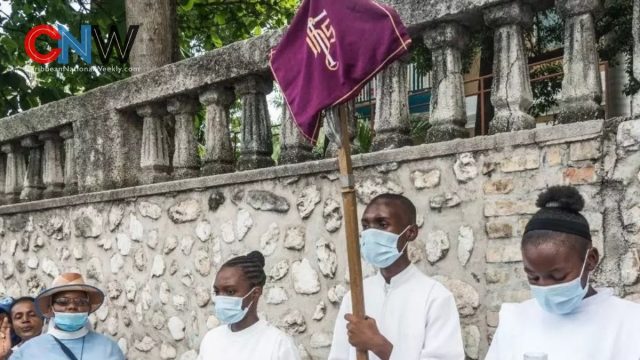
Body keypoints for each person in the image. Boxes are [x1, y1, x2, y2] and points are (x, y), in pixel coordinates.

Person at [485, 186, 640, 359]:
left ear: (591, 260)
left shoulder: (630, 323)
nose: (545, 287)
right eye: (533, 277)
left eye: (558, 276)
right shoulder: (515, 321)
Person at [328, 193, 465, 360]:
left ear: (411, 232)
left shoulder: (435, 298)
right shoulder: (356, 297)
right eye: (365, 226)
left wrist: (377, 344)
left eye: (382, 224)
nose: (371, 234)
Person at [198, 251, 300, 360]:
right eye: (217, 291)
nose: (221, 298)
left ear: (255, 293)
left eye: (230, 291)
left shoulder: (278, 345)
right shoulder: (211, 340)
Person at [9, 272, 125, 360]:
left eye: (80, 302)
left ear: (89, 308)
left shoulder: (108, 348)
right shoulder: (27, 352)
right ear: (50, 308)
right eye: (63, 302)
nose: (72, 307)